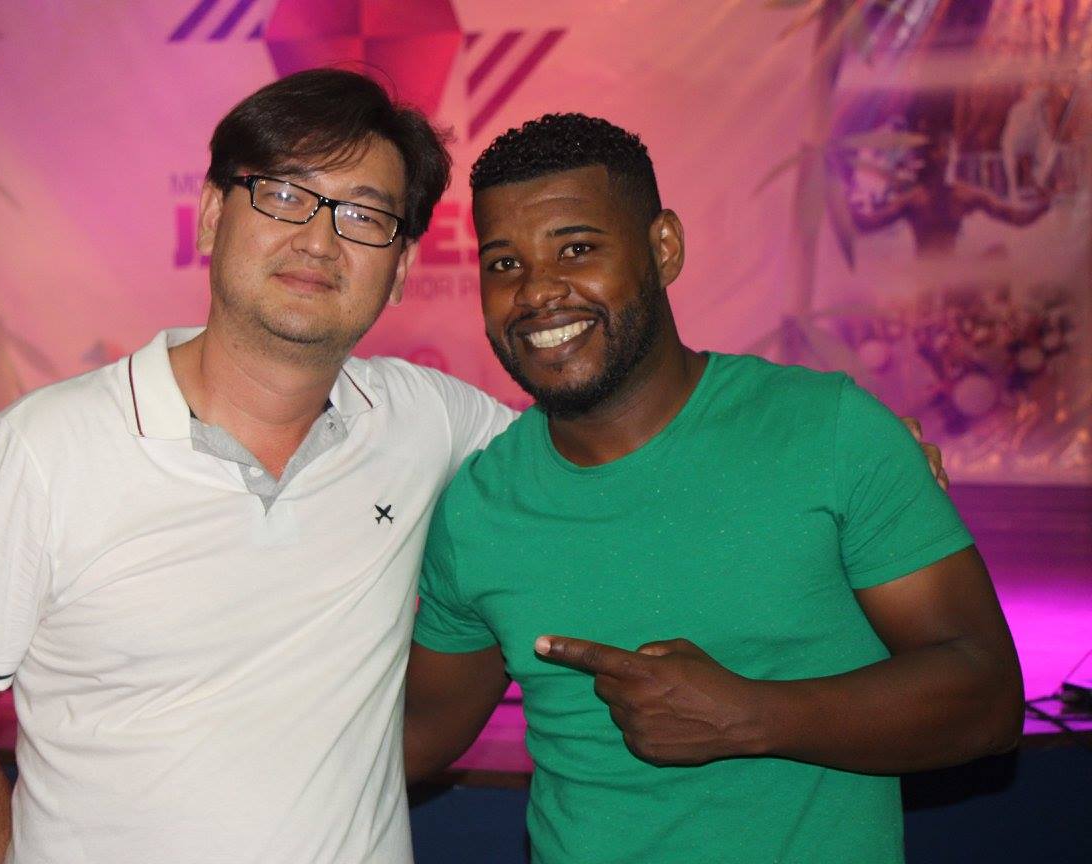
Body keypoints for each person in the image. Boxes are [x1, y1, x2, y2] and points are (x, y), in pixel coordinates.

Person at [0, 69, 516, 864]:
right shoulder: (45, 449)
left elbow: (588, 463)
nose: (318, 240)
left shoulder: (426, 421)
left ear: (404, 264)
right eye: (284, 194)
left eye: (362, 214)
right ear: (212, 215)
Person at [403, 114, 1023, 864]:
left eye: (577, 248)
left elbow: (988, 698)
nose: (537, 291)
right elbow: (415, 734)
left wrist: (752, 715)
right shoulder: (479, 507)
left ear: (663, 248)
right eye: (504, 264)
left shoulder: (828, 432)